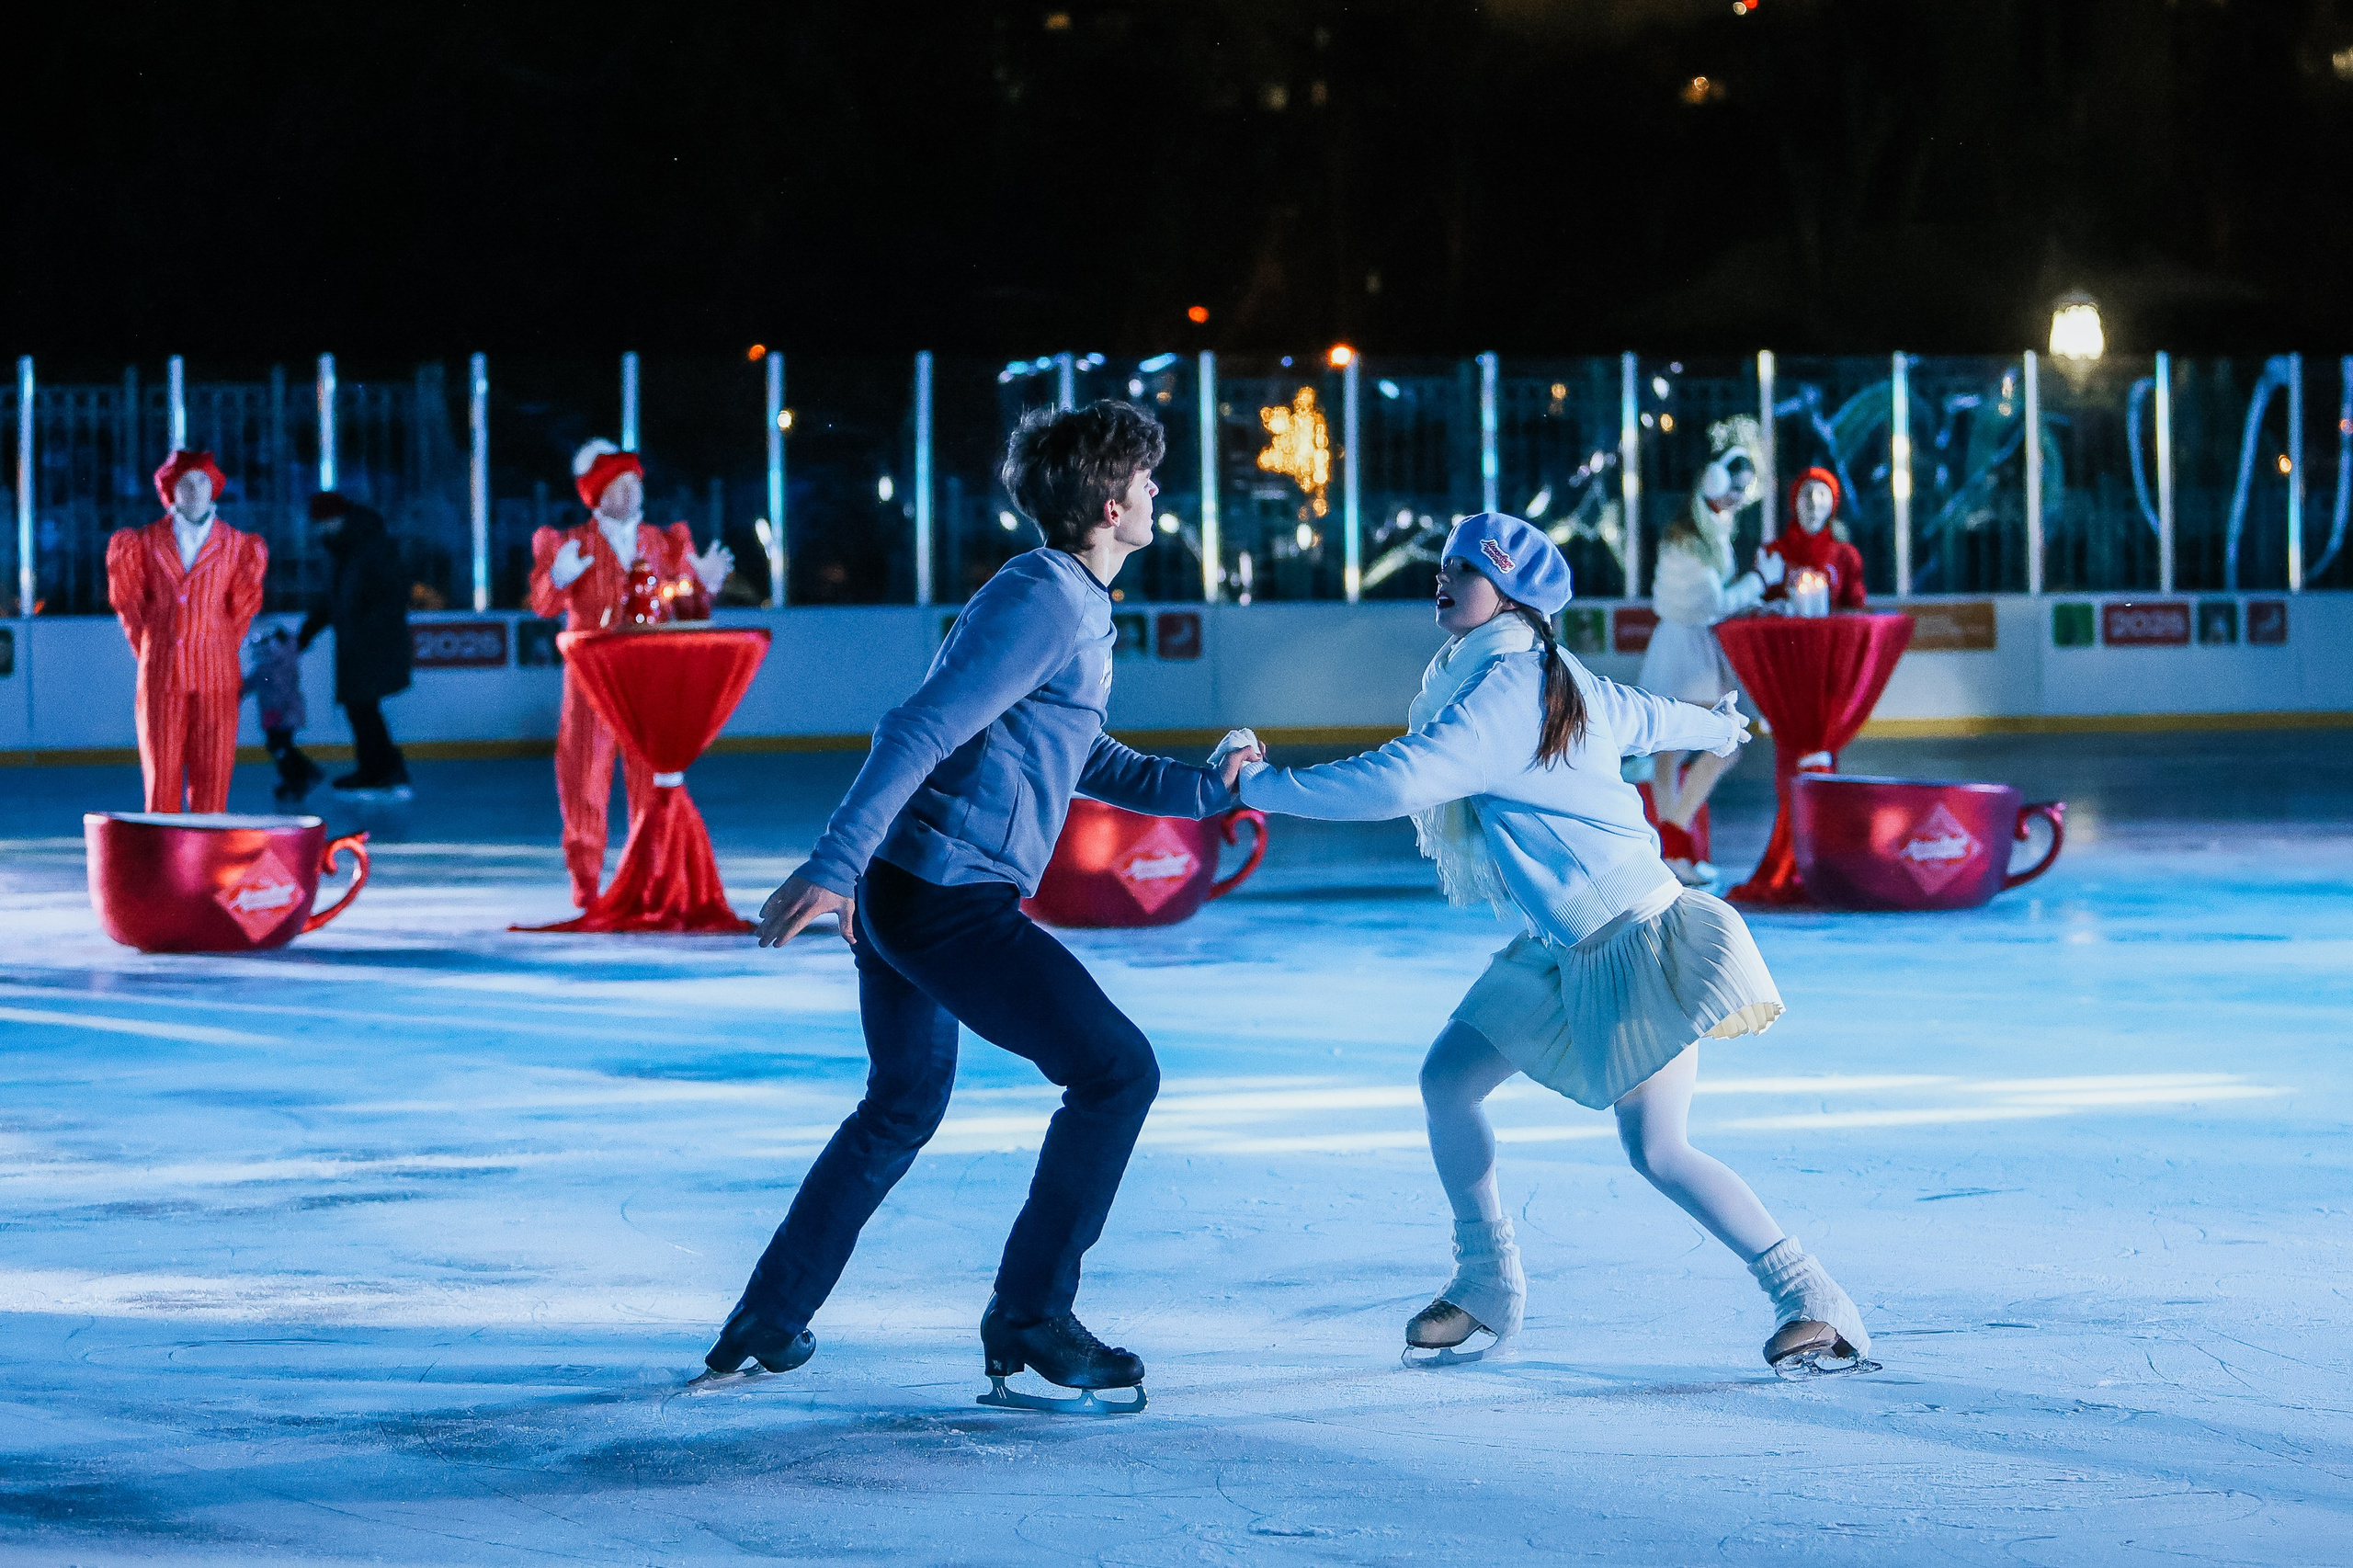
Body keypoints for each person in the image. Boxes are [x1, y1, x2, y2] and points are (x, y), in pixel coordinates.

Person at [710, 400, 1260, 1412]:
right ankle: (1029, 1312)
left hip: (917, 888)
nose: (1156, 494)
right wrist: (837, 860)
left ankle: (769, 1313)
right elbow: (915, 726)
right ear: (1107, 502)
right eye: (1145, 480)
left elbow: (1075, 750)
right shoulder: (1046, 598)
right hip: (944, 896)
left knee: (902, 1103)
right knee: (1116, 1071)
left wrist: (1202, 788)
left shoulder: (1067, 599)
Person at [1234, 513, 1874, 1377]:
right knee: (1448, 1082)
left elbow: (1404, 777)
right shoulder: (1529, 671)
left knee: (1658, 1150)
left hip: (1635, 940)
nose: (1444, 575)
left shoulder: (1507, 692)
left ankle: (1815, 1300)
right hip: (1565, 944)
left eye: (1466, 567)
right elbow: (1644, 715)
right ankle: (1486, 1282)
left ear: (1513, 595)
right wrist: (1715, 727)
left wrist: (1267, 787)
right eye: (1446, 561)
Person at [529, 439, 733, 906]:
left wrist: (705, 585)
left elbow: (688, 610)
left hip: (650, 680)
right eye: (618, 485)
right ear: (596, 495)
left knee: (653, 779)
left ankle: (654, 876)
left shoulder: (665, 543)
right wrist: (557, 578)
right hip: (591, 681)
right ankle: (585, 883)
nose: (631, 493)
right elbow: (543, 605)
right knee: (584, 777)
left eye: (634, 482)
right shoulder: (569, 543)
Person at [1640, 417, 1782, 885]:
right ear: (1711, 485)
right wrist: (1756, 583)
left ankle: (1672, 847)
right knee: (1712, 746)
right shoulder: (1686, 541)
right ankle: (1674, 841)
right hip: (1685, 653)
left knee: (1678, 753)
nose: (1738, 501)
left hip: (1689, 649)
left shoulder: (1708, 530)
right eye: (1732, 490)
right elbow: (1708, 603)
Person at [105, 450, 269, 813]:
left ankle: (207, 864)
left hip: (217, 677)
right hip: (161, 675)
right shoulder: (143, 542)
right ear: (170, 490)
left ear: (215, 489)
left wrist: (216, 646)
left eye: (202, 482)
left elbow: (241, 611)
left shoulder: (239, 546)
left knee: (213, 779)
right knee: (160, 778)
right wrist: (155, 648)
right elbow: (130, 606)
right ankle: (164, 862)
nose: (195, 490)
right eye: (185, 483)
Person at [299, 494, 413, 795]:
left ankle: (386, 771)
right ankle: (375, 770)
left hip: (374, 644)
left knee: (363, 707)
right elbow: (334, 601)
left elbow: (393, 593)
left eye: (325, 522)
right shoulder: (345, 551)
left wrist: (368, 628)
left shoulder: (371, 547)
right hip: (357, 643)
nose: (321, 529)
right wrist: (307, 632)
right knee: (360, 707)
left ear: (341, 518)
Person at [1763, 466, 1868, 610]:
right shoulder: (1773, 553)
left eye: (1822, 494)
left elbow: (1855, 607)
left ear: (1832, 504)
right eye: (1806, 494)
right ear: (1795, 502)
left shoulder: (1846, 555)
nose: (1814, 502)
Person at [242, 620, 322, 805]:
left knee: (281, 747)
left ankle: (304, 774)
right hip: (275, 714)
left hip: (283, 714)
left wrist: (280, 712)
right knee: (279, 746)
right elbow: (254, 682)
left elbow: (282, 689)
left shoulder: (279, 664)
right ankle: (293, 779)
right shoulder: (269, 665)